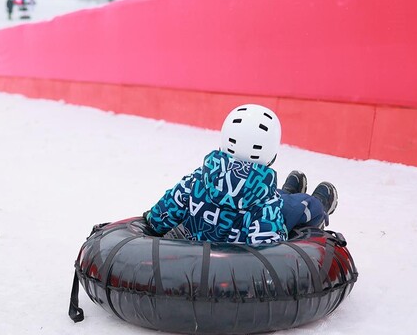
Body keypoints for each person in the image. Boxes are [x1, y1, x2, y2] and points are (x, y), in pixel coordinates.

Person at [144, 104, 338, 245]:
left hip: (197, 246)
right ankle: (319, 205)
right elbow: (269, 249)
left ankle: (286, 191)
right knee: (300, 205)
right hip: (236, 262)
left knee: (276, 197)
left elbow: (158, 218)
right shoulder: (265, 203)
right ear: (271, 154)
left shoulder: (194, 181)